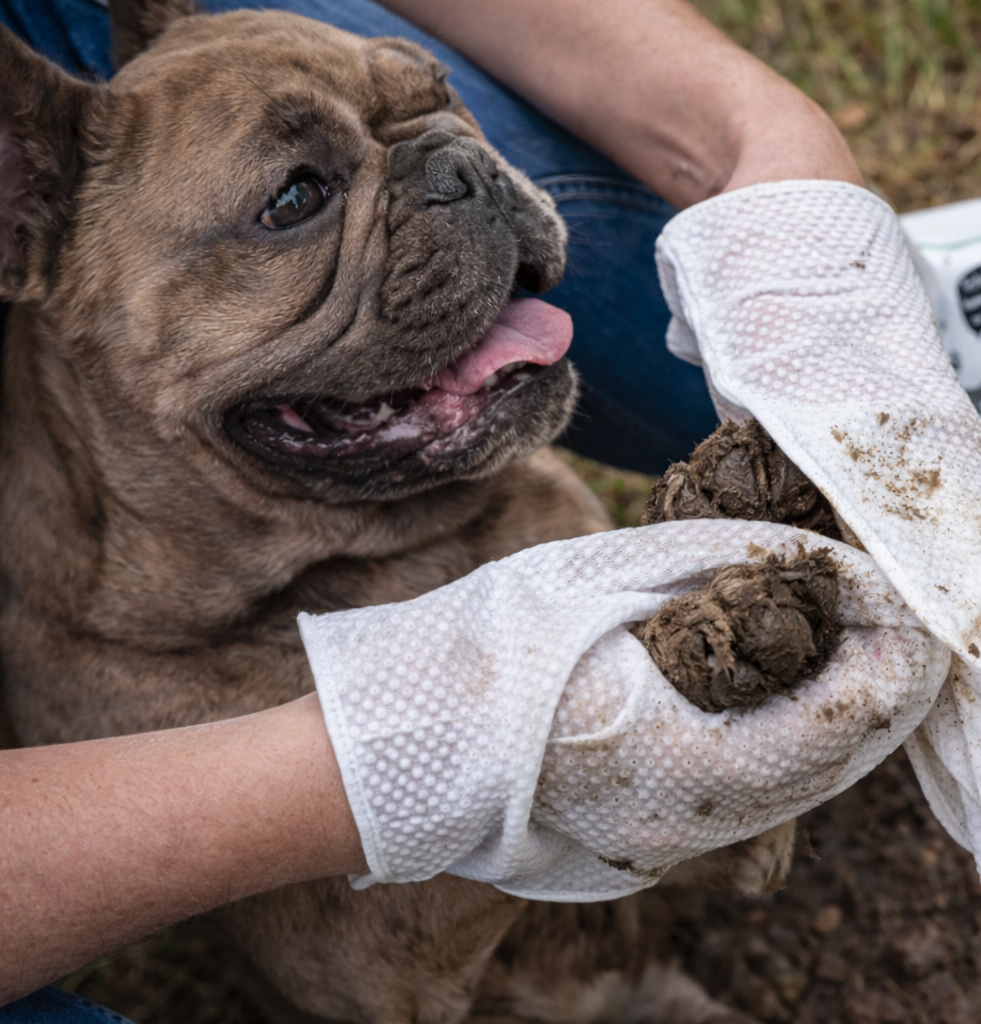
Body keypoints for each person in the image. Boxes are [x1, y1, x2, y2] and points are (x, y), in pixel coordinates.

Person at [0, 0, 862, 1010]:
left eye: (428, 104)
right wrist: (453, 758)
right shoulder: (121, 639)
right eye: (298, 198)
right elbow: (379, 970)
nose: (454, 178)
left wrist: (761, 132)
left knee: (783, 358)